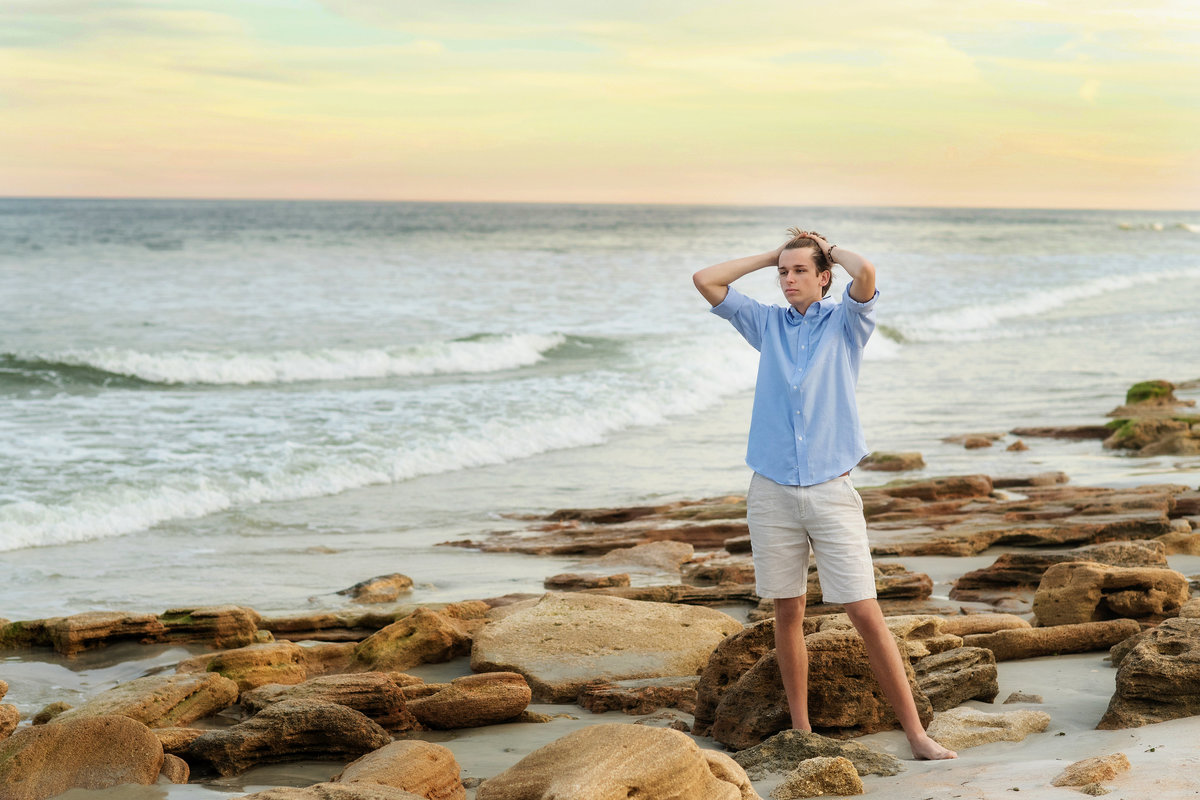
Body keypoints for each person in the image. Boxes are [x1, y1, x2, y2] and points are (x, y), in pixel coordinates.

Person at [692, 228, 956, 761]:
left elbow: (868, 275)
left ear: (824, 277)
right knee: (786, 612)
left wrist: (824, 249)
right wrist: (776, 254)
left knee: (865, 611)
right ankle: (802, 731)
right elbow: (705, 279)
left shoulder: (847, 322)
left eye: (800, 272)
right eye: (783, 273)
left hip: (832, 490)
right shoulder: (765, 323)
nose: (788, 280)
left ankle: (917, 735)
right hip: (770, 490)